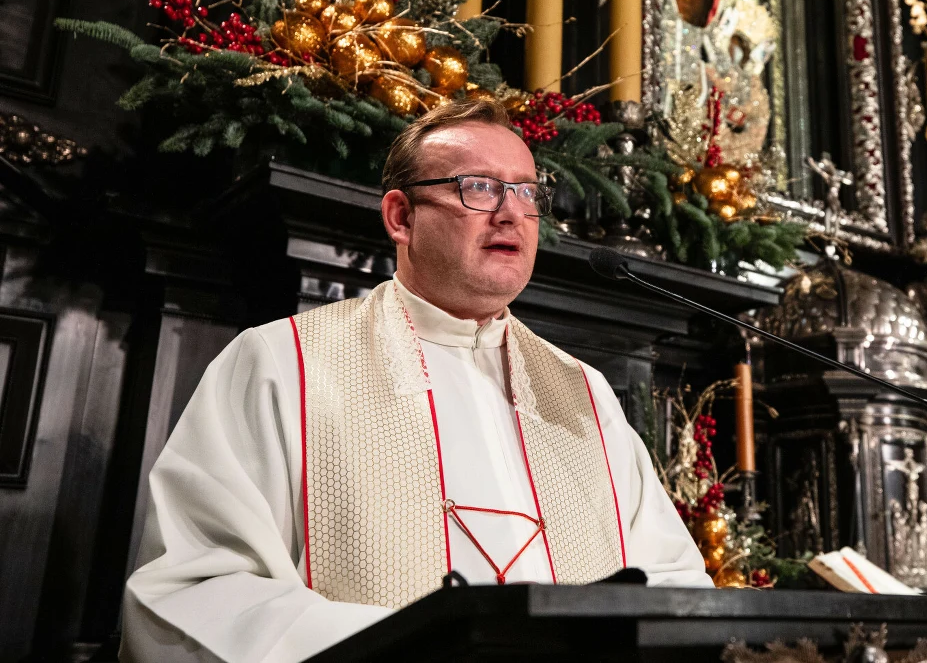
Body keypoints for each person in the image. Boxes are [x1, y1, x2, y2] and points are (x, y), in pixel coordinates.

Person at [122, 99, 711, 663]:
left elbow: (674, 582)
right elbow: (196, 590)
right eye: (478, 188)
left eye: (527, 193)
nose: (511, 212)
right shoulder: (282, 363)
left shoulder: (585, 394)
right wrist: (426, 647)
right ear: (401, 217)